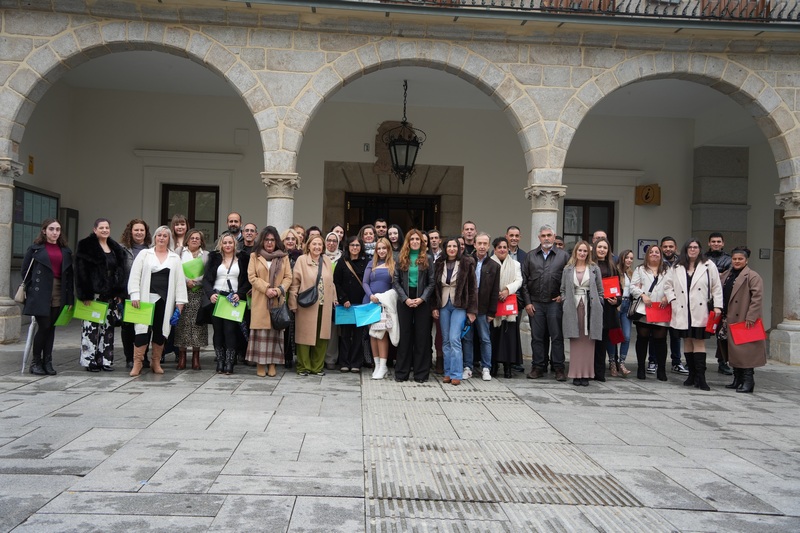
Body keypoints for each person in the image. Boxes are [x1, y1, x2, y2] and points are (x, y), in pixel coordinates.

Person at [127, 225, 188, 376]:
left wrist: (180, 302)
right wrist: (135, 294)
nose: (161, 238)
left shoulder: (174, 258)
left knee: (160, 332)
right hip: (145, 300)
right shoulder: (144, 254)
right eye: (159, 235)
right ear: (155, 237)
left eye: (165, 236)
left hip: (165, 301)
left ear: (169, 239)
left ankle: (155, 362)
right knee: (142, 331)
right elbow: (135, 275)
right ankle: (138, 363)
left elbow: (180, 281)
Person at [664, 239, 723, 391]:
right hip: (683, 309)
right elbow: (667, 285)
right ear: (685, 249)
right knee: (688, 341)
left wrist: (717, 306)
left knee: (699, 342)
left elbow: (717, 287)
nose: (692, 250)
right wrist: (673, 299)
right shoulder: (677, 266)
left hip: (700, 309)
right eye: (690, 247)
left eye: (696, 247)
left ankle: (701, 377)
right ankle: (691, 375)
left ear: (700, 249)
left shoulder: (709, 265)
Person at [21, 218, 75, 376]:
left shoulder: (65, 250)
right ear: (44, 231)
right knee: (44, 326)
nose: (55, 232)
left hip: (59, 290)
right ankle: (36, 362)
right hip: (40, 292)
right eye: (51, 229)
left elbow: (69, 276)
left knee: (51, 328)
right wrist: (32, 291)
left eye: (58, 229)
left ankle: (48, 361)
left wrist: (70, 298)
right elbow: (25, 272)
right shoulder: (35, 249)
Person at [76, 218, 127, 372]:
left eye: (107, 228)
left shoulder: (114, 247)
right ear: (95, 229)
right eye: (101, 227)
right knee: (91, 328)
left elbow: (120, 270)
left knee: (108, 328)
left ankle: (105, 360)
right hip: (94, 294)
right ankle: (89, 360)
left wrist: (119, 292)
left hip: (110, 294)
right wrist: (85, 294)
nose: (104, 230)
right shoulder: (86, 246)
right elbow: (80, 272)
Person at [521, 224, 570, 381]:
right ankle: (538, 367)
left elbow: (569, 280)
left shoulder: (563, 256)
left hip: (555, 302)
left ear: (554, 237)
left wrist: (563, 296)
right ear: (539, 238)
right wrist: (527, 303)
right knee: (537, 337)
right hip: (536, 303)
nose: (546, 238)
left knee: (556, 336)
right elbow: (524, 282)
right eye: (543, 236)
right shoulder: (530, 256)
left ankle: (558, 368)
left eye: (549, 235)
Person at [246, 226, 292, 378]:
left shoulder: (283, 257)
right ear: (262, 241)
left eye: (272, 240)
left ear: (276, 241)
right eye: (267, 240)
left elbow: (288, 278)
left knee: (275, 333)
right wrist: (266, 289)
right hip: (261, 299)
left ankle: (272, 364)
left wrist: (278, 290)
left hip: (277, 301)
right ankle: (260, 364)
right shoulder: (255, 256)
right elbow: (252, 277)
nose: (269, 243)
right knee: (261, 333)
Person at [719, 247, 766, 393]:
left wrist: (751, 316)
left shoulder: (752, 276)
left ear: (746, 260)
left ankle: (748, 381)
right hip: (728, 318)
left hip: (744, 319)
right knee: (732, 350)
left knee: (745, 352)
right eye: (734, 259)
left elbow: (757, 298)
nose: (737, 261)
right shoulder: (726, 274)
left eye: (740, 259)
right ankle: (737, 379)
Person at [203, 232, 250, 375]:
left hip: (233, 298)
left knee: (230, 331)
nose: (228, 245)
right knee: (218, 331)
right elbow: (206, 280)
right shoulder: (214, 257)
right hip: (217, 298)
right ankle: (220, 360)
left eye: (230, 242)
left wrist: (239, 294)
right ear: (221, 244)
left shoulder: (242, 259)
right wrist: (211, 294)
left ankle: (230, 362)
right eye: (225, 243)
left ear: (235, 244)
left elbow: (247, 280)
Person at [288, 234, 336, 376]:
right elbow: (294, 283)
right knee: (304, 336)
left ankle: (317, 367)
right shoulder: (302, 260)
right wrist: (292, 303)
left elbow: (331, 283)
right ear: (308, 245)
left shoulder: (326, 260)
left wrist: (334, 298)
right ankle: (303, 367)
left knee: (321, 337)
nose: (317, 247)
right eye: (314, 244)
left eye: (320, 244)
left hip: (324, 304)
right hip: (306, 304)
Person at [432, 237, 477, 386]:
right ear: (445, 248)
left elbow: (472, 288)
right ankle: (448, 372)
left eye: (454, 246)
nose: (452, 249)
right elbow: (434, 287)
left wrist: (472, 310)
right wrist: (434, 307)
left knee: (454, 339)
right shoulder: (439, 263)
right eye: (449, 246)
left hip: (459, 305)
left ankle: (457, 373)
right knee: (445, 340)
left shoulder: (466, 263)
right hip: (444, 304)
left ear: (459, 248)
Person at [393, 229, 435, 383]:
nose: (415, 241)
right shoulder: (400, 258)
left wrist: (422, 298)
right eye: (412, 239)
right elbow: (395, 281)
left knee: (421, 337)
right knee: (405, 336)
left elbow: (432, 283)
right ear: (408, 242)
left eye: (418, 239)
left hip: (422, 300)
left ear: (422, 242)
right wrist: (405, 299)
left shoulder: (428, 258)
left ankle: (421, 374)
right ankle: (402, 373)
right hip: (405, 299)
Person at [562, 241, 603, 387]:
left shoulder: (594, 268)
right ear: (575, 251)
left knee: (588, 341)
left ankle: (586, 375)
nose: (582, 253)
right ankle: (575, 374)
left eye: (585, 251)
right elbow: (563, 289)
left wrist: (599, 304)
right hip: (573, 308)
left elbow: (600, 290)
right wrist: (566, 302)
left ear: (588, 253)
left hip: (590, 307)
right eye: (580, 250)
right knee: (575, 340)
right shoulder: (567, 269)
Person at [462, 232, 499, 381]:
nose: (482, 246)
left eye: (485, 244)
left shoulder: (494, 265)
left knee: (485, 338)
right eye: (480, 244)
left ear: (489, 246)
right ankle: (468, 367)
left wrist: (492, 312)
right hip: (468, 307)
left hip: (484, 309)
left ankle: (486, 367)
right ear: (475, 245)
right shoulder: (467, 261)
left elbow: (495, 291)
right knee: (467, 338)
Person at [630, 245, 670, 380]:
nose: (654, 254)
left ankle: (662, 370)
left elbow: (673, 286)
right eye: (651, 252)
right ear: (647, 254)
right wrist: (642, 295)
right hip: (644, 309)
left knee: (661, 340)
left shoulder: (668, 270)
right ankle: (641, 368)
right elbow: (633, 286)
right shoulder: (640, 269)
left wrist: (667, 296)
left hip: (661, 309)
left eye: (657, 252)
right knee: (642, 339)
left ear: (661, 255)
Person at [175, 228, 209, 370]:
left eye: (198, 238)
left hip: (199, 293)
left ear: (201, 241)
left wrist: (196, 281)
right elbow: (175, 270)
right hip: (182, 292)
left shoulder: (206, 255)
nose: (195, 240)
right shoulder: (179, 253)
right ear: (187, 239)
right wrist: (186, 281)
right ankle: (182, 356)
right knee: (182, 324)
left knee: (198, 324)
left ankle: (196, 356)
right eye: (192, 238)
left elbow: (209, 273)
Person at [120, 219, 152, 369]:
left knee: (146, 326)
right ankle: (130, 358)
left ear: (146, 233)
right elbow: (118, 272)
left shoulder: (151, 249)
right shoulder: (122, 249)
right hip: (128, 294)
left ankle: (143, 356)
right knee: (128, 327)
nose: (139, 233)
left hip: (147, 294)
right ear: (130, 231)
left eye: (142, 230)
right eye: (136, 230)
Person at [490, 236, 523, 379]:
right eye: (499, 247)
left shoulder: (515, 264)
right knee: (494, 337)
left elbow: (519, 280)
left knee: (509, 337)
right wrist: (495, 292)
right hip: (493, 303)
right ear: (495, 249)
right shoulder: (489, 263)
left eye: (505, 247)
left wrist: (507, 290)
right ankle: (494, 365)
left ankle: (508, 367)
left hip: (509, 305)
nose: (502, 249)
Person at [334, 235, 368, 373]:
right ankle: (344, 362)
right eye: (352, 245)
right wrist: (343, 299)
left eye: (357, 245)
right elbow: (336, 282)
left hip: (361, 303)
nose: (355, 248)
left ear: (361, 247)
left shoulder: (367, 262)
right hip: (346, 304)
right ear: (348, 247)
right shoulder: (342, 262)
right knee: (345, 335)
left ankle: (356, 362)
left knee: (359, 335)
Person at [363, 238, 395, 379]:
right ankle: (376, 365)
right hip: (370, 303)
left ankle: (383, 366)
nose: (381, 251)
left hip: (384, 304)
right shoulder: (371, 263)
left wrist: (383, 297)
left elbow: (395, 286)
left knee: (382, 335)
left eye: (384, 248)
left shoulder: (394, 265)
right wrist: (370, 295)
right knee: (372, 334)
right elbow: (365, 282)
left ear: (388, 250)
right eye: (379, 248)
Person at [592, 237, 620, 381]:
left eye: (605, 247)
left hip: (607, 308)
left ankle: (599, 372)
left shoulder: (613, 266)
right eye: (599, 247)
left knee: (602, 341)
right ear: (595, 248)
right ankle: (589, 371)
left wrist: (617, 300)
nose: (602, 250)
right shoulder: (589, 265)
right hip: (591, 307)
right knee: (591, 341)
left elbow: (618, 288)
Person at [706, 232, 734, 376]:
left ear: (723, 243)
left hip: (721, 301)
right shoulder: (703, 258)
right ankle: (693, 360)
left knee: (721, 334)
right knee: (697, 332)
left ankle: (722, 362)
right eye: (713, 241)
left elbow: (727, 278)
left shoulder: (729, 260)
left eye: (718, 241)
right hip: (703, 301)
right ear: (709, 243)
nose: (716, 244)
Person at [660, 236, 687, 376]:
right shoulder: (656, 261)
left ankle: (676, 362)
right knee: (658, 335)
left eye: (670, 246)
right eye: (665, 247)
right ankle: (655, 361)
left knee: (676, 335)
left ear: (675, 247)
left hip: (677, 303)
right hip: (661, 303)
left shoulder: (682, 263)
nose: (668, 249)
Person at [280, 227, 303, 369]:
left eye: (293, 239)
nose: (290, 241)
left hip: (297, 295)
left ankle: (290, 356)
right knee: (282, 325)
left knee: (294, 327)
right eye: (287, 239)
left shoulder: (301, 257)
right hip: (281, 294)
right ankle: (281, 355)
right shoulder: (278, 256)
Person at [323, 231, 342, 370]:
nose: (331, 243)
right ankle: (319, 357)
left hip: (336, 299)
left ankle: (331, 358)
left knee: (333, 330)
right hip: (321, 297)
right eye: (329, 240)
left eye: (334, 241)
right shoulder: (319, 256)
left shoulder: (342, 257)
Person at [615, 249, 635, 376]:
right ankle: (613, 362)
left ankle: (622, 362)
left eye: (631, 258)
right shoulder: (615, 271)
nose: (629, 260)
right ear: (622, 258)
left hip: (628, 305)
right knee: (615, 336)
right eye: (627, 257)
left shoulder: (631, 273)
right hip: (617, 305)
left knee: (626, 336)